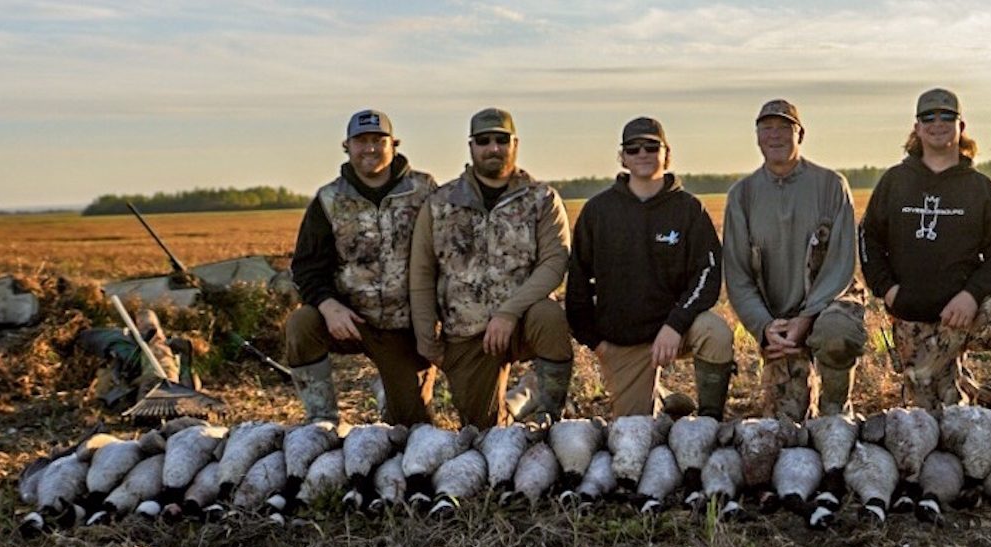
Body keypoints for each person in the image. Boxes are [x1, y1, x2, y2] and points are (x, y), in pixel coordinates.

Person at [859, 88, 991, 410]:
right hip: (914, 316)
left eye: (947, 116)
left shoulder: (980, 188)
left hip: (967, 315)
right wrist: (888, 290)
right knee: (935, 415)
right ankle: (966, 389)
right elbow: (869, 239)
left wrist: (972, 296)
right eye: (928, 117)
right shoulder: (894, 182)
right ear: (917, 128)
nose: (938, 123)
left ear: (961, 127)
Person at [410, 108, 574, 428]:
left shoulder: (541, 198)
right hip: (467, 332)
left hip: (524, 322)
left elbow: (555, 262)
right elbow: (421, 272)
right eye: (484, 141)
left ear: (515, 143)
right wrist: (426, 337)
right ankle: (521, 397)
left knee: (550, 316)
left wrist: (509, 312)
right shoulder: (441, 203)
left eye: (501, 140)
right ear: (471, 147)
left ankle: (551, 414)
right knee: (484, 430)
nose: (493, 148)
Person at [567, 117, 736, 419]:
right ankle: (666, 401)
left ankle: (710, 421)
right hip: (624, 341)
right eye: (633, 149)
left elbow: (707, 273)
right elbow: (578, 282)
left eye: (651, 146)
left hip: (675, 329)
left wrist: (676, 323)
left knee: (716, 331)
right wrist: (596, 342)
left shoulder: (688, 209)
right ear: (622, 158)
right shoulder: (598, 211)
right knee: (635, 431)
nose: (642, 153)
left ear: (666, 154)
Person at [284, 109, 437, 423]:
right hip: (351, 320)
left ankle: (389, 392)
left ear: (393, 144)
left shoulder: (424, 191)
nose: (369, 148)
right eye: (360, 141)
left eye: (377, 140)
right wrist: (329, 307)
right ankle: (322, 419)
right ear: (347, 146)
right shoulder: (329, 199)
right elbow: (307, 266)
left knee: (412, 426)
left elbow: (448, 254)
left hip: (405, 326)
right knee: (302, 324)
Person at [723, 99, 866, 420]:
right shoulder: (741, 196)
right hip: (780, 323)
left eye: (784, 128)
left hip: (830, 302)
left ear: (800, 134)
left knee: (836, 334)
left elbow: (841, 263)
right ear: (757, 137)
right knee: (786, 424)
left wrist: (808, 317)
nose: (775, 136)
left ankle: (836, 410)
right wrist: (765, 328)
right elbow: (738, 275)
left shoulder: (831, 185)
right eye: (767, 128)